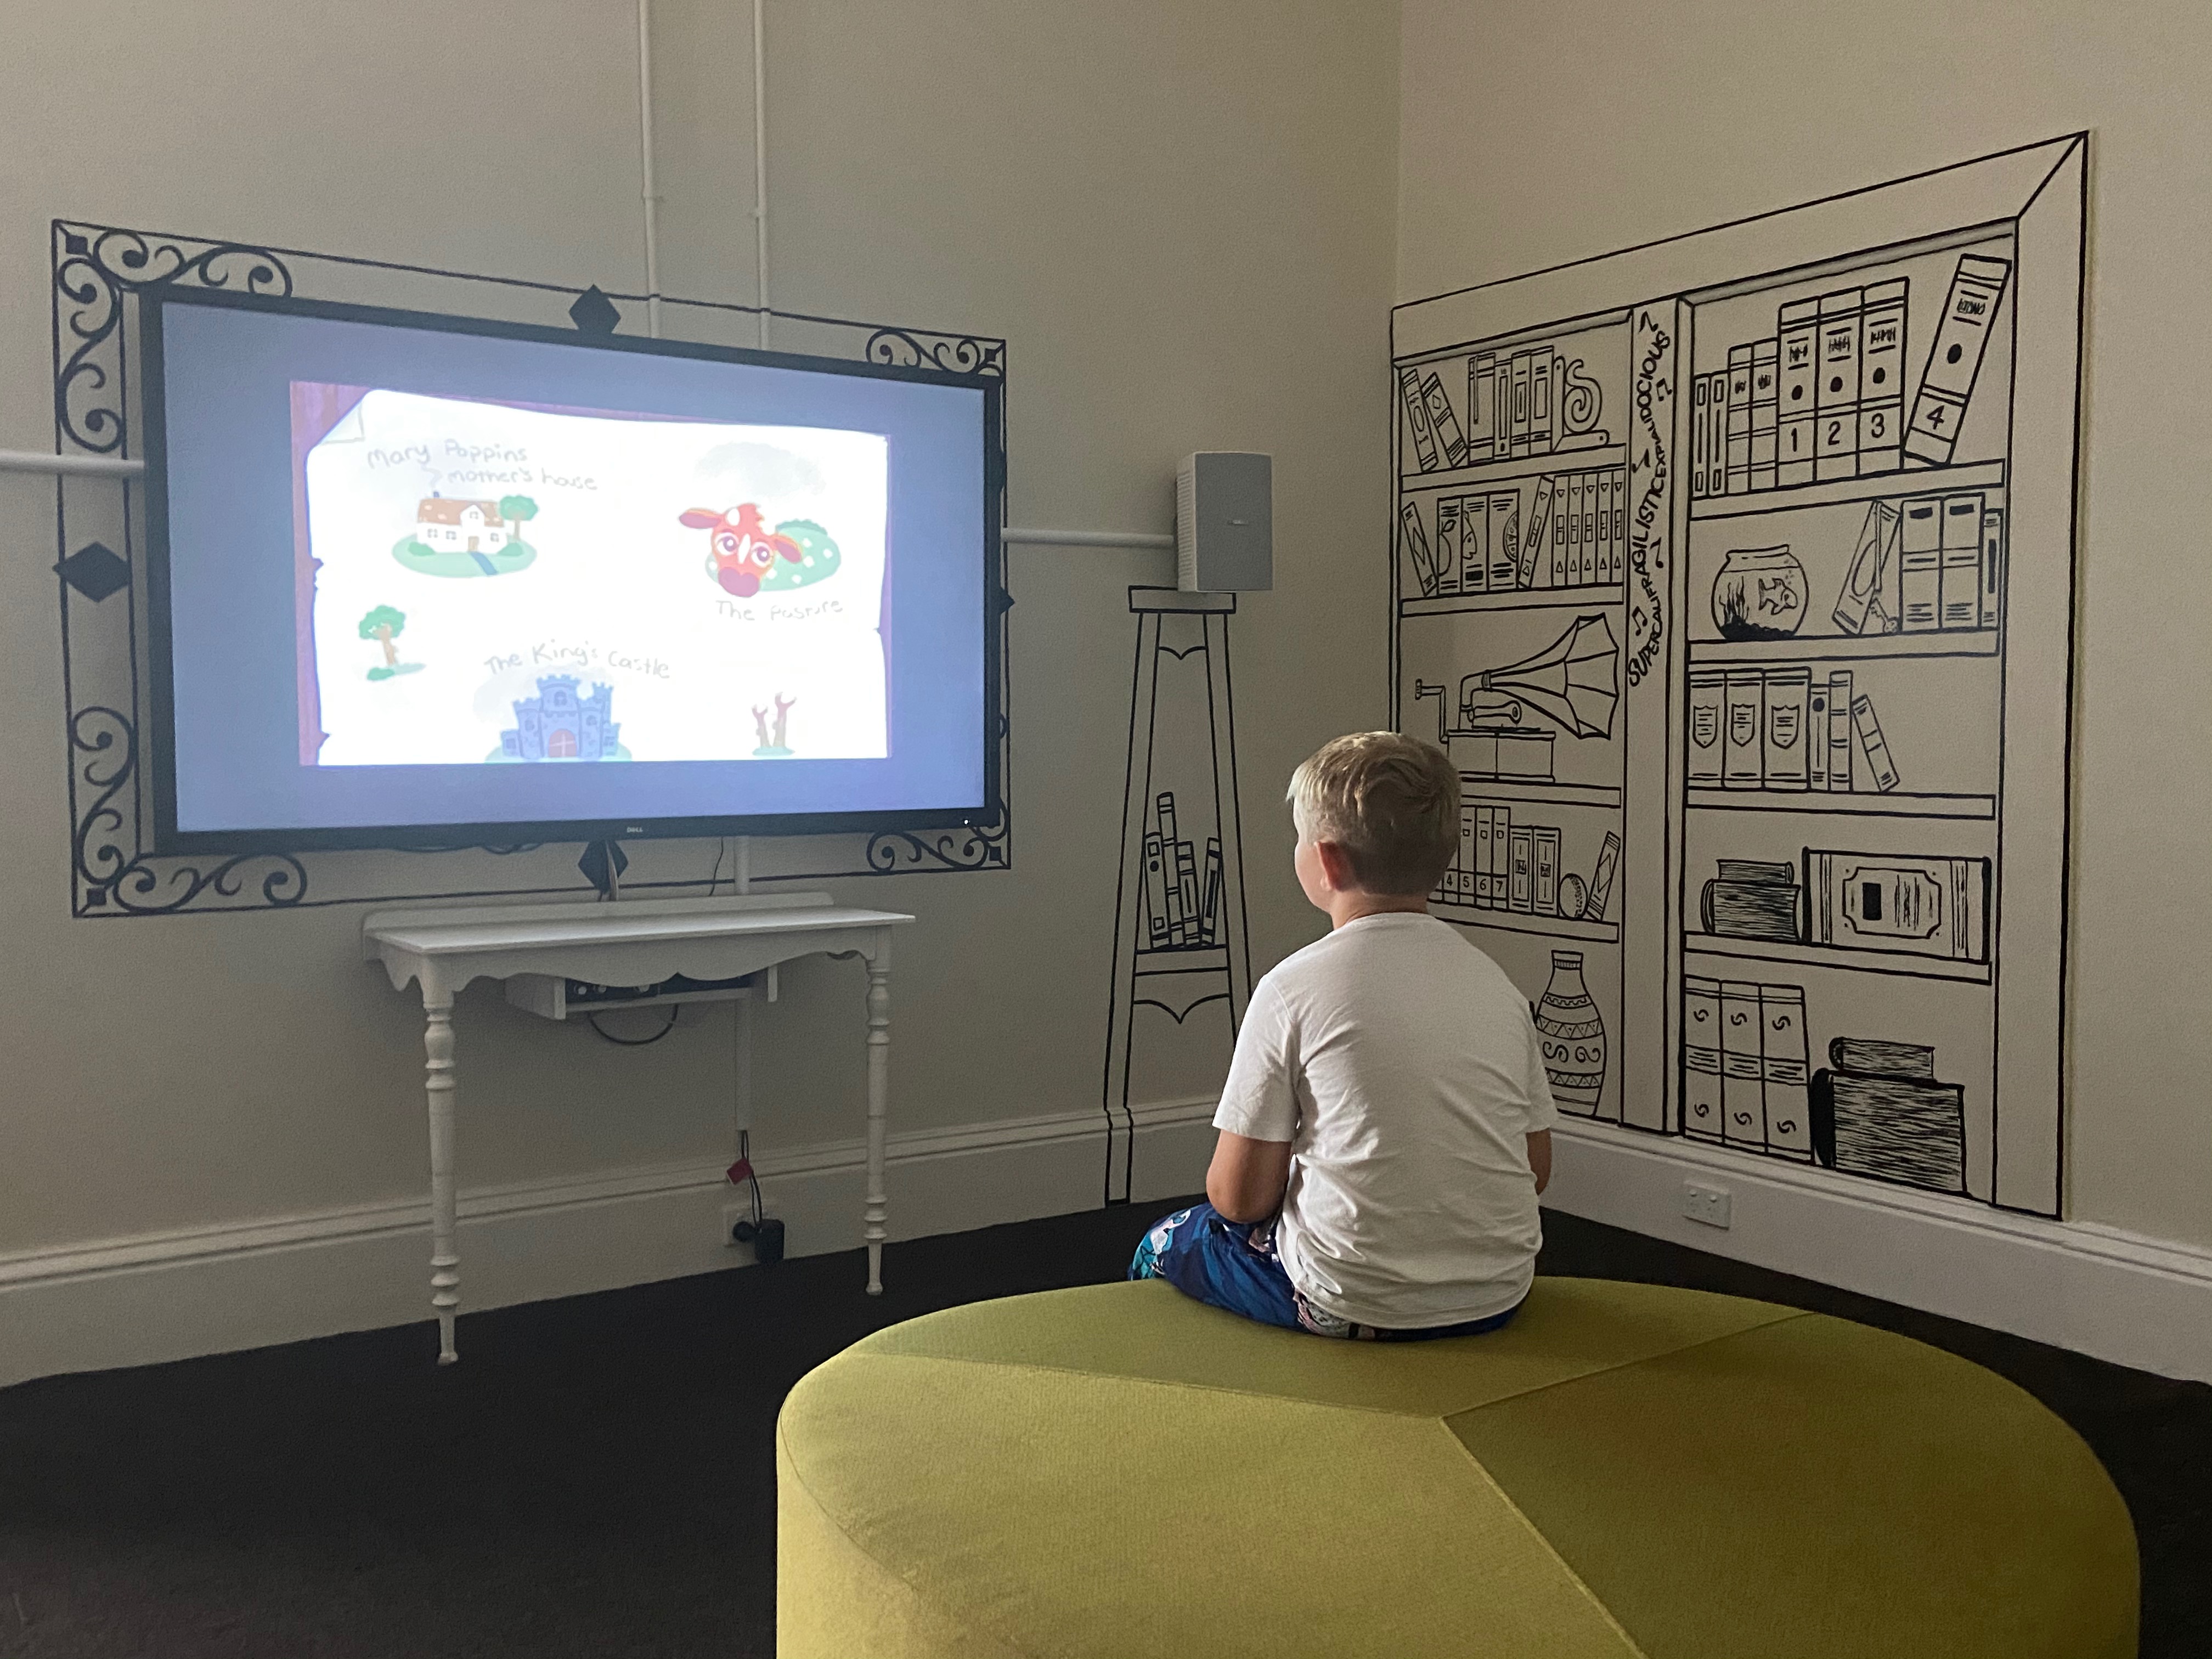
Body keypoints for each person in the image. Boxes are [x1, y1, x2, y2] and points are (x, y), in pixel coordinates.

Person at [1130, 731, 1556, 1340]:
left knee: (1168, 1241)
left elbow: (1238, 1197)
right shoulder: (1499, 988)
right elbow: (1534, 1169)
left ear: (1327, 862)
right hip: (1497, 1294)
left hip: (1349, 1300)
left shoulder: (1291, 989)